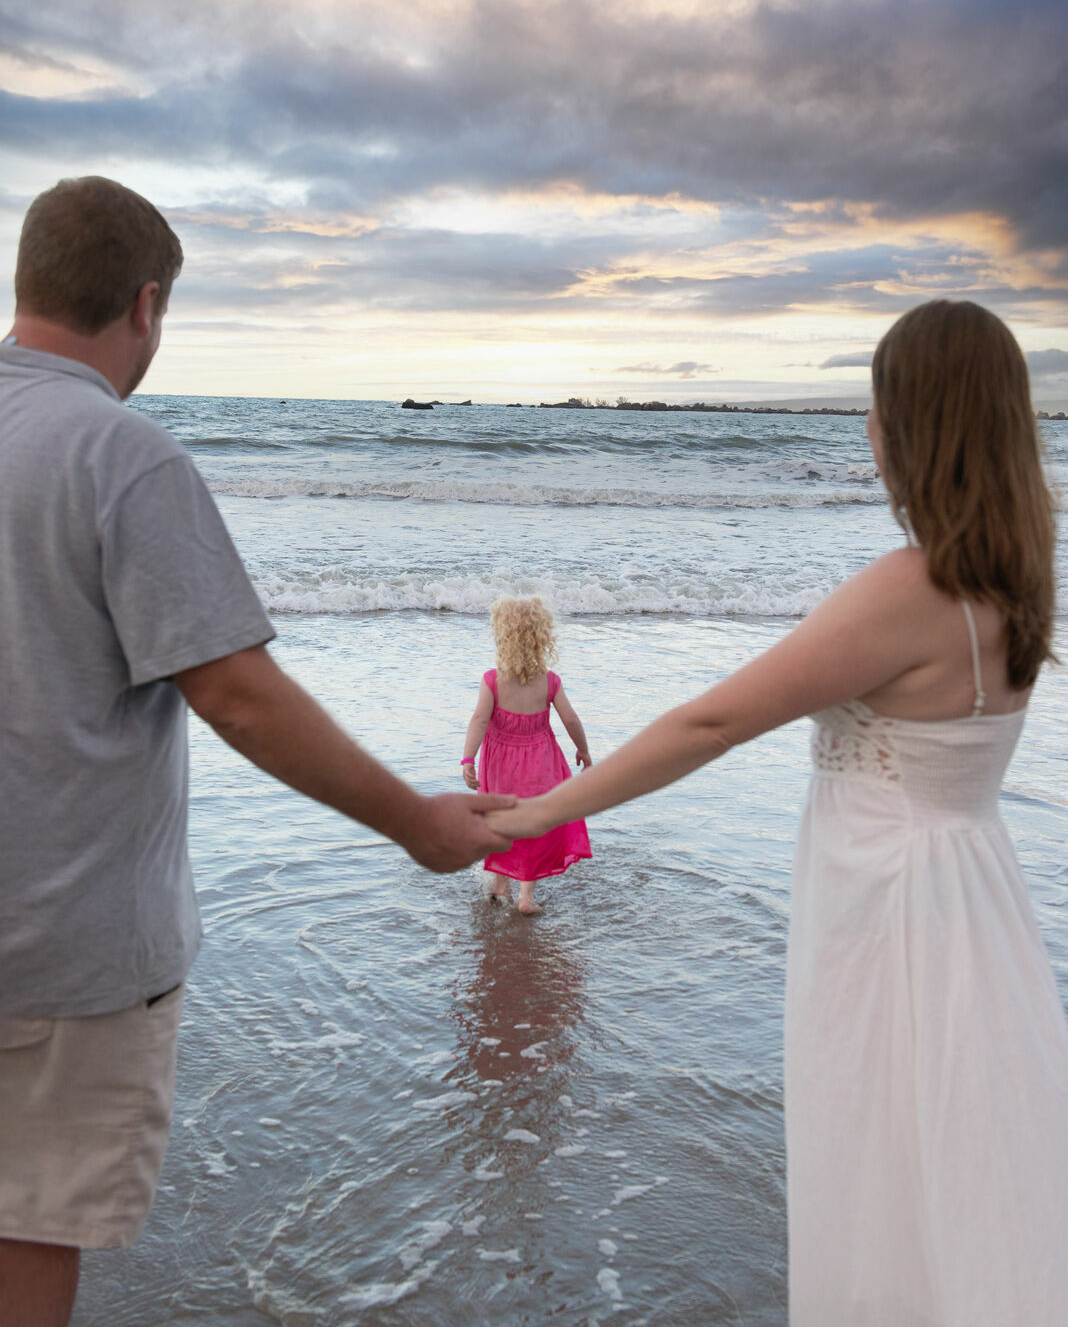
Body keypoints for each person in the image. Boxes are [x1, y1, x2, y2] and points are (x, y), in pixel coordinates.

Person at [486, 301, 1068, 1326]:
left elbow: (711, 723)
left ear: (917, 427)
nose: (867, 433)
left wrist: (530, 815)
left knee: (881, 1167)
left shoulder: (912, 588)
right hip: (975, 907)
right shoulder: (1013, 583)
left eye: (879, 410)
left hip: (890, 917)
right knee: (964, 1164)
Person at [0, 176, 515, 1327]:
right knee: (26, 1226)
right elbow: (236, 691)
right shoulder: (119, 455)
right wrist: (416, 821)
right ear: (146, 305)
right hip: (52, 956)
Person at [461, 596, 592, 914]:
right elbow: (571, 718)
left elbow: (479, 720)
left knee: (501, 821)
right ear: (542, 637)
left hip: (500, 766)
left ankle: (501, 884)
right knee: (534, 823)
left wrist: (468, 759)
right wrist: (583, 750)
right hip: (541, 763)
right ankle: (525, 898)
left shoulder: (492, 680)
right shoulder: (549, 681)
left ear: (501, 637)